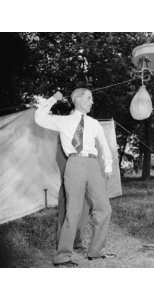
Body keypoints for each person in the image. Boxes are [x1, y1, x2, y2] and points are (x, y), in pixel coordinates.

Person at [34, 88, 113, 266]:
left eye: (92, 98)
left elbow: (104, 145)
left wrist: (107, 166)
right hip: (74, 164)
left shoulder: (94, 123)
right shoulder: (63, 121)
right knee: (73, 211)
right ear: (77, 99)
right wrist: (53, 99)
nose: (92, 101)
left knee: (104, 208)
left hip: (93, 165)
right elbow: (39, 117)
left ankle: (96, 251)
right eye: (89, 98)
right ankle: (63, 256)